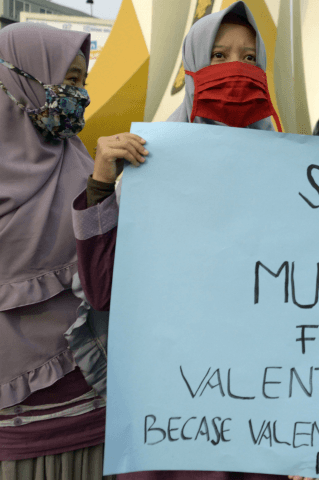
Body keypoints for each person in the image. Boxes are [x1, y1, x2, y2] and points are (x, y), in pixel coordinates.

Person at [71, 2, 286, 479]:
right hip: (174, 416)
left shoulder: (294, 176)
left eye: (250, 58)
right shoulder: (152, 163)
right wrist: (102, 185)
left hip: (263, 416)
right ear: (191, 64)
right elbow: (104, 290)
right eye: (219, 54)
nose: (236, 69)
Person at [0, 23, 120, 480]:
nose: (78, 95)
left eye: (80, 82)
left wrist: (101, 190)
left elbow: (106, 276)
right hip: (16, 430)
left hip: (94, 415)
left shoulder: (84, 163)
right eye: (67, 81)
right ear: (20, 78)